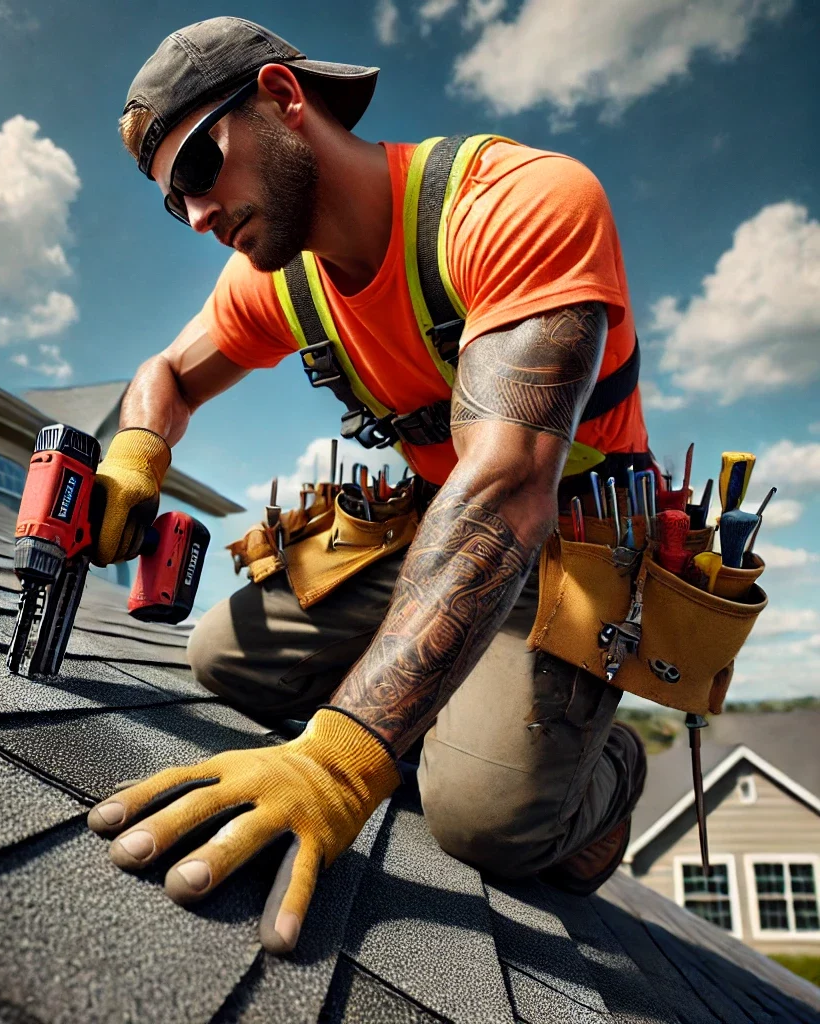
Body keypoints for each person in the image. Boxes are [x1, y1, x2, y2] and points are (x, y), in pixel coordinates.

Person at [86, 16, 649, 954]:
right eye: (169, 203)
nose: (193, 215)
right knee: (225, 656)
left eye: (196, 168)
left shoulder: (516, 204)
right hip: (446, 530)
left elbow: (508, 489)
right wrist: (134, 457)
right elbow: (168, 373)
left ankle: (608, 772)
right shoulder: (276, 278)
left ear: (281, 98)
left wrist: (343, 763)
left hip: (559, 552)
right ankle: (447, 716)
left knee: (485, 824)